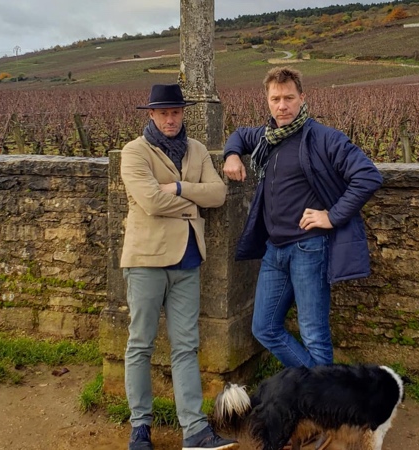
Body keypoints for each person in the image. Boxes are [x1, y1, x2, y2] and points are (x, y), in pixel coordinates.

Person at [223, 67, 383, 370]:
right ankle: (317, 387)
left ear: (302, 98)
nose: (282, 106)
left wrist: (332, 216)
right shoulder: (266, 137)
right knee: (264, 328)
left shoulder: (324, 138)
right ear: (267, 101)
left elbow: (368, 176)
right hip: (274, 250)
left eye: (289, 98)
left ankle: (319, 396)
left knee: (313, 335)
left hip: (309, 249)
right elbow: (239, 135)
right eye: (275, 99)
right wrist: (231, 154)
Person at [120, 84, 238, 450]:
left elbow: (218, 194)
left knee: (186, 346)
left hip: (188, 260)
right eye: (163, 113)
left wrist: (176, 188)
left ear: (183, 113)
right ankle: (140, 427)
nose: (170, 119)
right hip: (146, 260)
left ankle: (195, 431)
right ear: (152, 115)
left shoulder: (197, 149)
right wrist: (192, 199)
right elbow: (151, 202)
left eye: (175, 112)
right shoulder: (134, 152)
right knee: (140, 344)